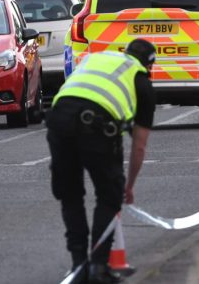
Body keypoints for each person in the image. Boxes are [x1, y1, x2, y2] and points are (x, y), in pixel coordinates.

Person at [47, 39, 156, 283]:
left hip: (59, 118)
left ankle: (78, 266)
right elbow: (139, 146)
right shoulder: (141, 80)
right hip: (97, 125)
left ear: (126, 52)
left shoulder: (96, 59)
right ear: (150, 65)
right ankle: (98, 267)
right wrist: (128, 186)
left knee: (70, 194)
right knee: (109, 196)